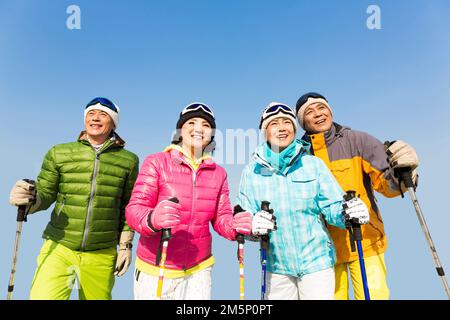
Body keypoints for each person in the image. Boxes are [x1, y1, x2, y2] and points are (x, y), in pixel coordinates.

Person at [125, 102, 268, 300]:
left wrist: (235, 226)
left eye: (206, 125)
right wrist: (152, 218)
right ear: (180, 130)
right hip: (156, 268)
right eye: (191, 122)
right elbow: (134, 210)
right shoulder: (157, 162)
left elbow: (221, 218)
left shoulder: (218, 173)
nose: (199, 128)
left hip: (199, 270)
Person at [236, 102, 370, 300]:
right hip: (276, 266)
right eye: (274, 123)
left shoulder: (312, 165)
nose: (282, 128)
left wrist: (347, 212)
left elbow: (332, 205)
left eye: (286, 122)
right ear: (265, 132)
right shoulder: (252, 172)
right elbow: (243, 216)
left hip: (316, 262)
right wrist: (253, 226)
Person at [9, 97, 139, 300]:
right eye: (91, 114)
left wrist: (125, 246)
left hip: (101, 251)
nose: (95, 119)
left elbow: (129, 206)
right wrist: (29, 199)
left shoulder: (129, 160)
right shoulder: (59, 153)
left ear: (113, 123)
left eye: (103, 115)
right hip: (60, 247)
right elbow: (46, 193)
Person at [295, 92, 420, 300]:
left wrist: (405, 175)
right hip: (323, 252)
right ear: (302, 122)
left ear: (330, 111)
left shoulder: (359, 141)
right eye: (309, 112)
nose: (318, 114)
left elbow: (387, 185)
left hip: (365, 240)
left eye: (321, 108)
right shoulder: (299, 155)